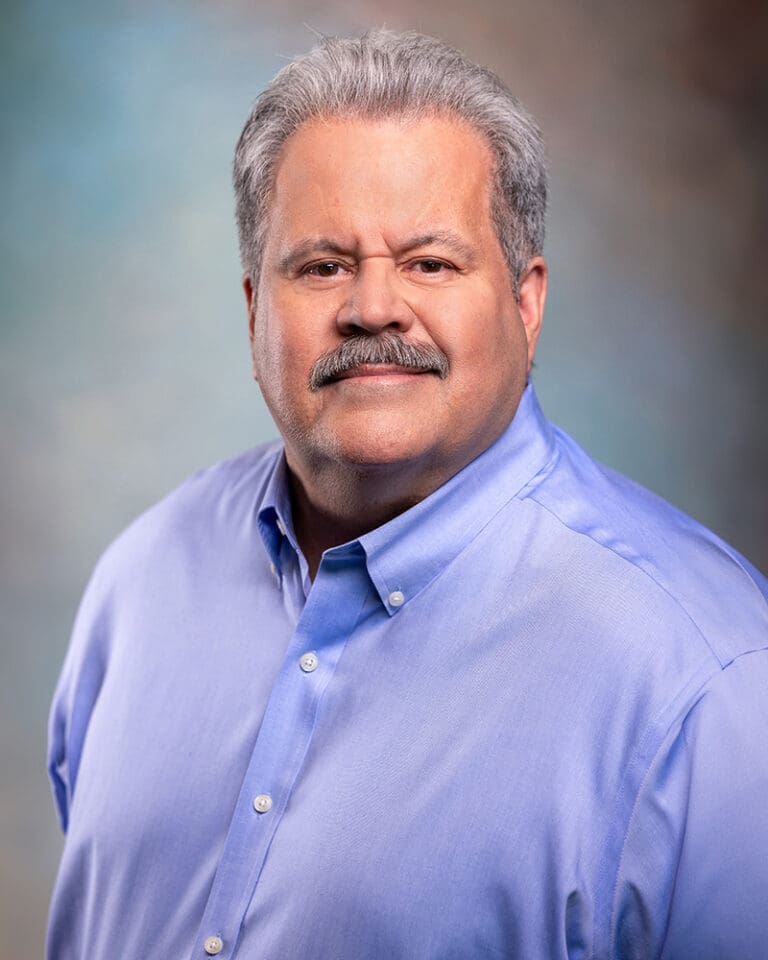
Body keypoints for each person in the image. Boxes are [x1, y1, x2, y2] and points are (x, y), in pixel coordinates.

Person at [47, 29, 768, 960]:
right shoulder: (142, 582)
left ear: (526, 300)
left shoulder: (709, 685)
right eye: (322, 266)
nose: (373, 306)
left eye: (430, 262)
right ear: (253, 307)